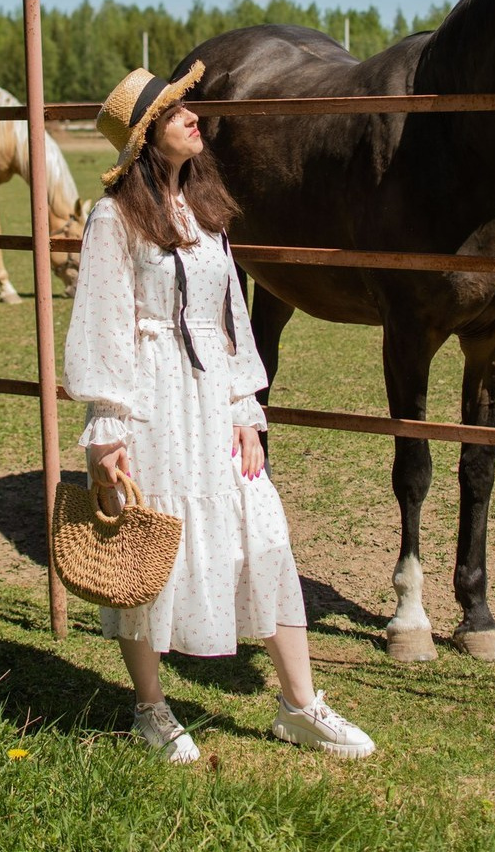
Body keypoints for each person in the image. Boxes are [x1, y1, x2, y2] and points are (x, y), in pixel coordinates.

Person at [62, 62, 375, 764]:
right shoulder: (114, 218)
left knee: (262, 534)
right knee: (146, 547)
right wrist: (107, 425)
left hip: (211, 400)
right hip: (150, 401)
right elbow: (103, 321)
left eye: (188, 107)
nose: (192, 116)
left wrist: (244, 404)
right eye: (176, 112)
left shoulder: (205, 212)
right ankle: (150, 708)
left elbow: (230, 315)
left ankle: (300, 706)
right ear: (147, 137)